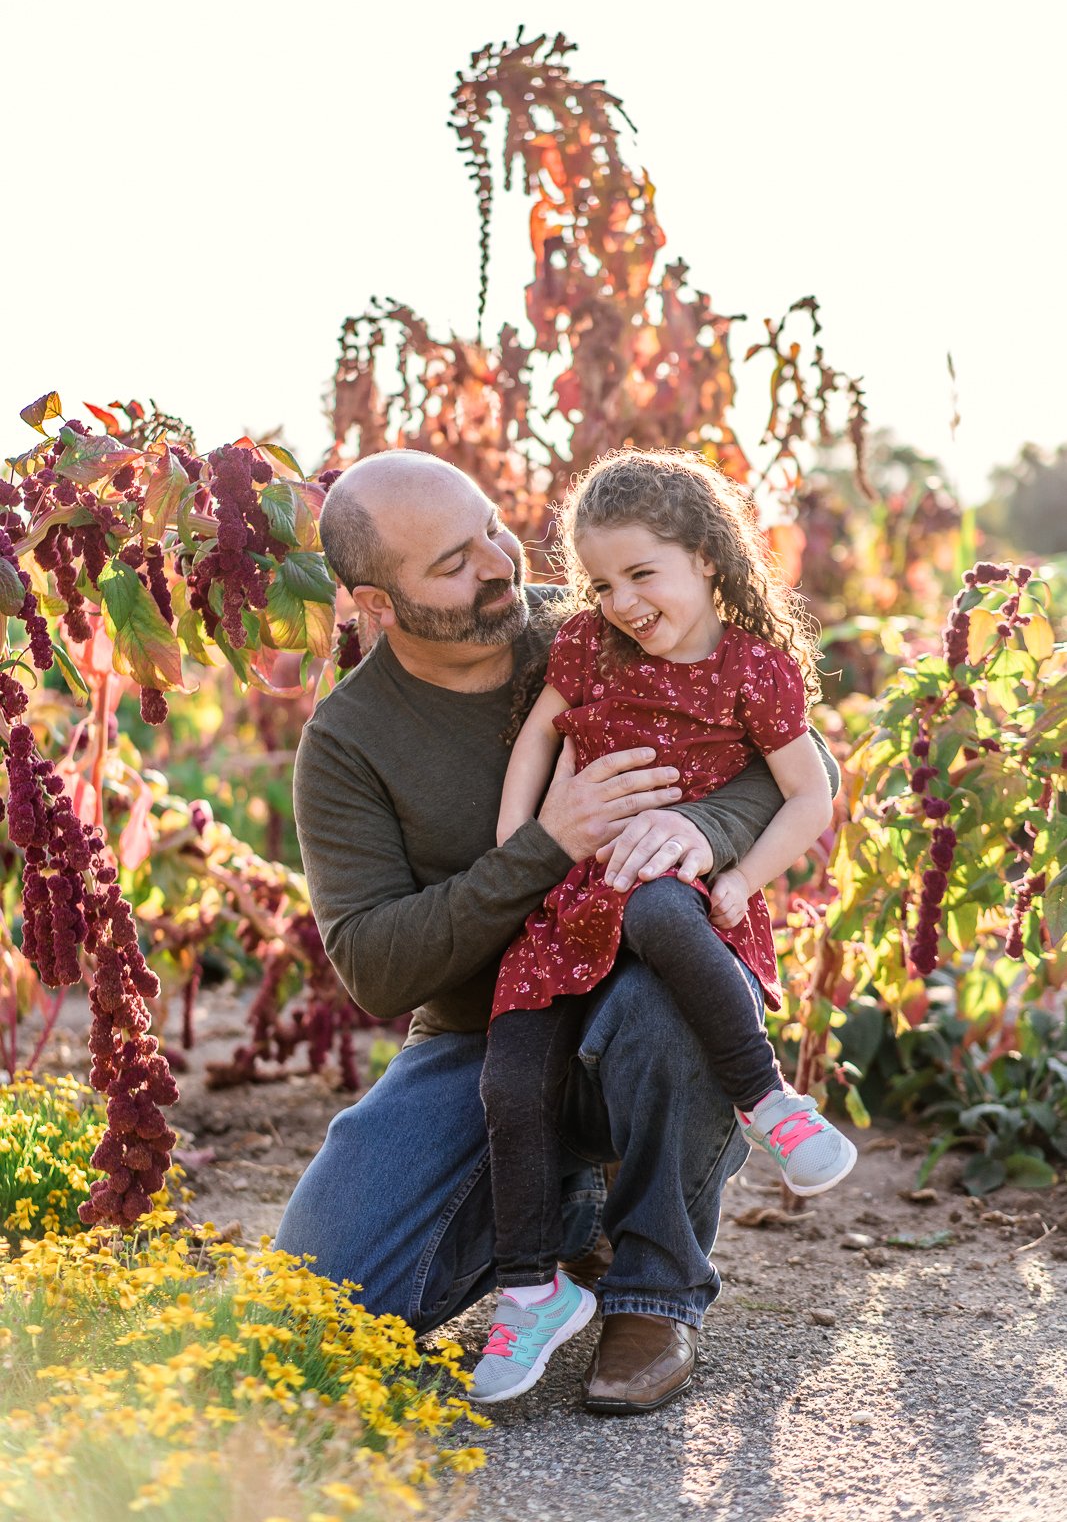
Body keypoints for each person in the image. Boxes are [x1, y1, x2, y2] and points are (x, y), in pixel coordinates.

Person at [274, 448, 841, 1415]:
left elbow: (795, 759)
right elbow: (374, 966)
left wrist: (696, 833)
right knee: (314, 1305)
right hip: (483, 1033)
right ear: (374, 602)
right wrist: (545, 844)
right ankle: (566, 1221)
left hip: (643, 985)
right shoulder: (347, 744)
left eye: (492, 527)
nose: (499, 564)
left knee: (663, 1004)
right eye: (452, 563)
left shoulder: (596, 621)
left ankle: (653, 1292)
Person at [469, 449, 856, 1404]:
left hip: (680, 890)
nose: (621, 599)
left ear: (710, 562)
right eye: (602, 581)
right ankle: (531, 1288)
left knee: (656, 908)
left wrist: (742, 880)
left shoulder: (753, 671)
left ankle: (771, 1103)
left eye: (643, 573)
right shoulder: (590, 650)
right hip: (566, 901)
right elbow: (540, 738)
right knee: (509, 1075)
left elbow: (810, 796)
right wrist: (515, 850)